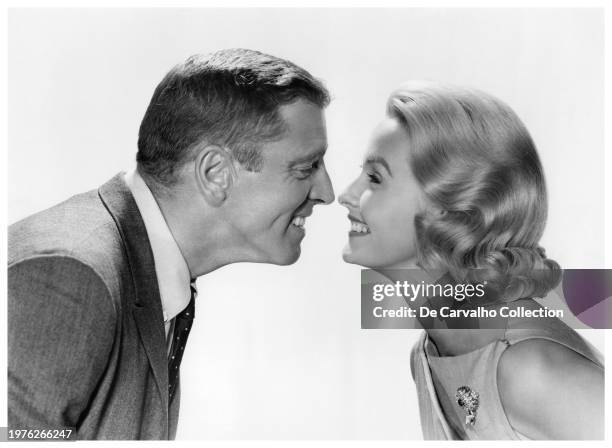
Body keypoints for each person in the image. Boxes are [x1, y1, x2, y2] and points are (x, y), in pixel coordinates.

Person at [8, 48, 334, 440]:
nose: (326, 192)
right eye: (306, 167)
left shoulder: (147, 271)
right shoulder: (70, 277)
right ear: (215, 173)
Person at [338, 81, 604, 440]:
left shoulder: (532, 370)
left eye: (374, 178)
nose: (346, 195)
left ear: (454, 207)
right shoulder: (428, 354)